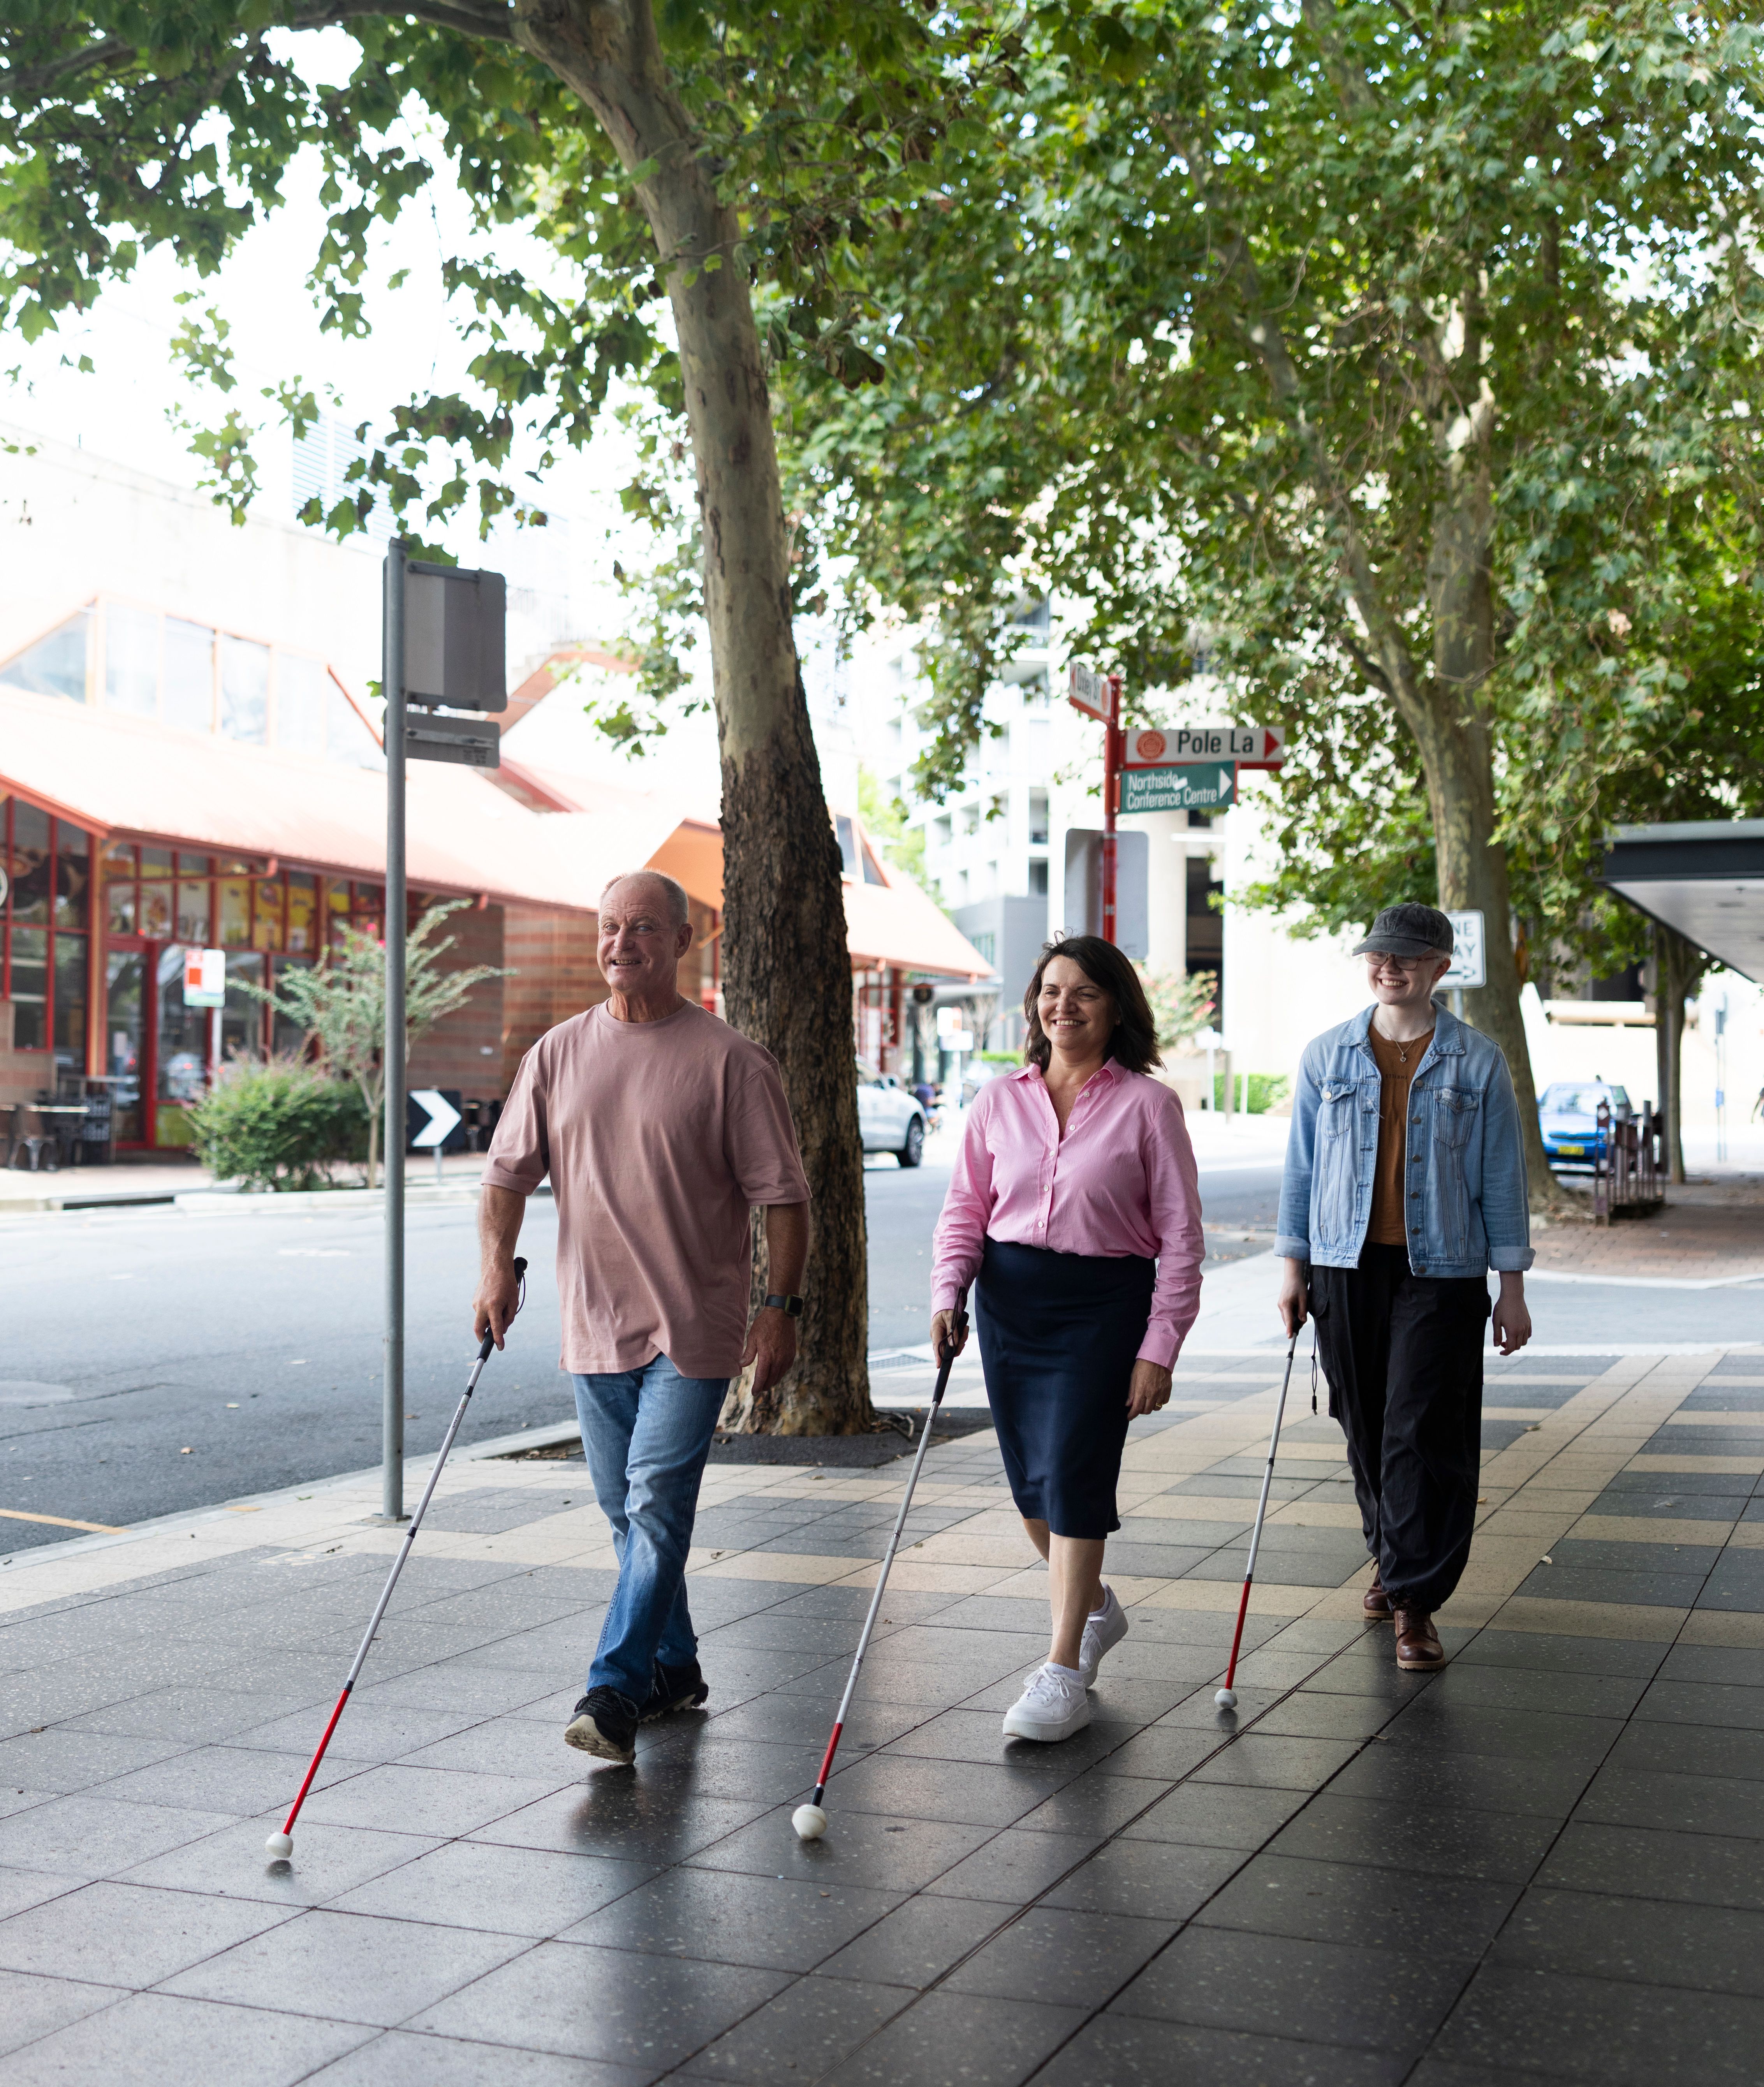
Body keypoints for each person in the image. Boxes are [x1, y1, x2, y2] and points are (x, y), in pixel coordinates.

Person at [474, 870, 811, 1765]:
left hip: (692, 1329)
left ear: (684, 941)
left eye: (644, 929)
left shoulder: (732, 1060)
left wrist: (779, 1309)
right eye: (610, 927)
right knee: (629, 1516)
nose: (622, 944)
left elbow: (783, 1198)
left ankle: (615, 1691)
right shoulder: (555, 1054)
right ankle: (677, 1668)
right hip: (592, 1324)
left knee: (657, 1504)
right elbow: (507, 1176)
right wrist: (493, 1275)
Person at [930, 936, 1205, 1744]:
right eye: (1051, 991)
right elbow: (963, 1212)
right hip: (1013, 1308)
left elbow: (1182, 1238)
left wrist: (1160, 1346)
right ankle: (1095, 1608)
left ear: (1117, 1006)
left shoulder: (1150, 1106)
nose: (1064, 1006)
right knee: (1032, 1491)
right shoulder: (996, 1101)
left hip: (1102, 1308)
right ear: (1033, 1005)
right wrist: (949, 1294)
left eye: (1084, 992)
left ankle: (1063, 1669)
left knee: (1078, 1475)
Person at [1275, 902, 1533, 1672]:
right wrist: (1293, 1270)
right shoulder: (1327, 1056)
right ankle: (1389, 1557)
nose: (1389, 967)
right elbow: (1301, 1169)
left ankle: (1415, 1600)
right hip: (1342, 1266)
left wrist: (1512, 1287)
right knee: (1364, 1422)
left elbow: (1501, 1181)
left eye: (1408, 957)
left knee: (1418, 1427)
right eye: (1379, 956)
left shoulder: (1478, 1061)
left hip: (1444, 1269)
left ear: (1441, 967)